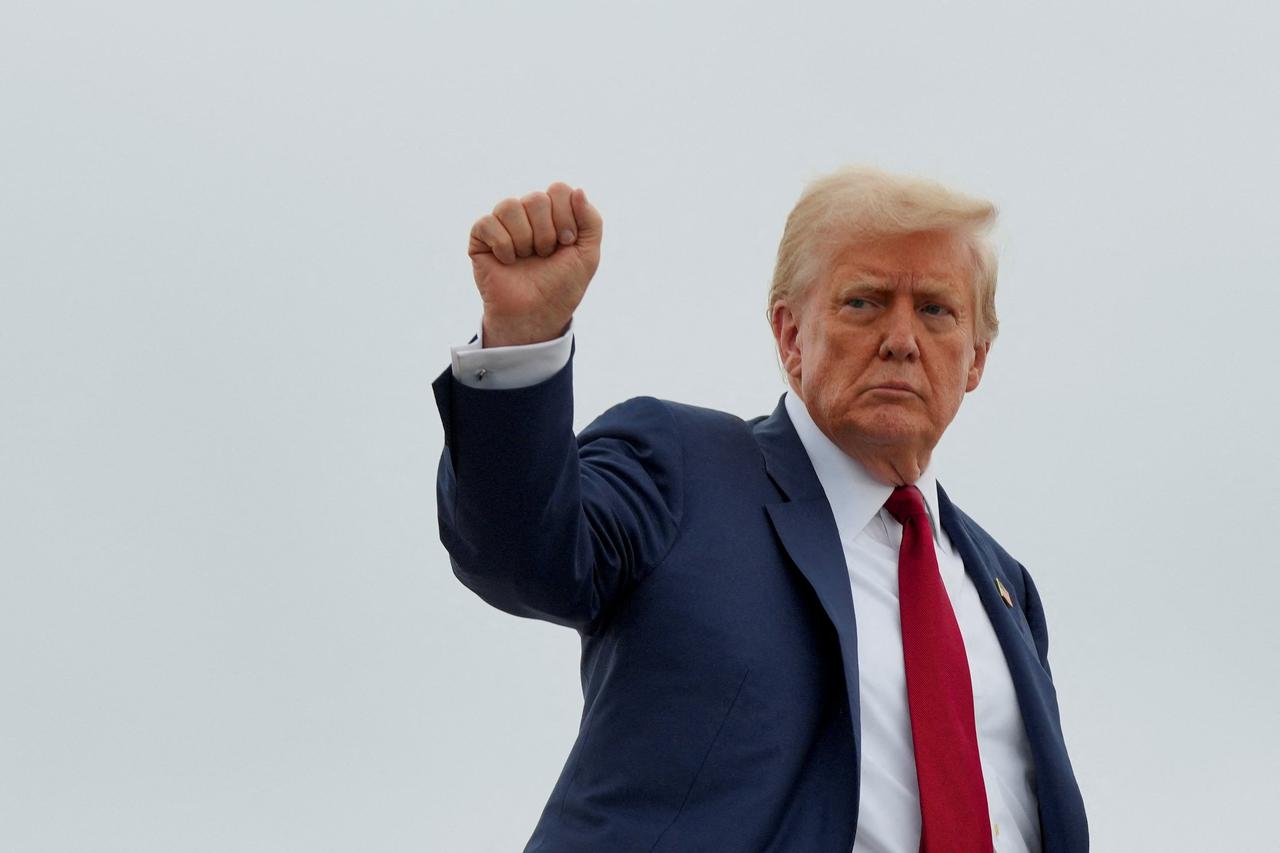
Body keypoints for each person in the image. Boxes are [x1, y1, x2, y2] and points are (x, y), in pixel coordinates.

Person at [432, 167, 1088, 852]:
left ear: (976, 358)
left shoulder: (1004, 586)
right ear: (790, 335)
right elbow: (518, 553)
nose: (901, 338)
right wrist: (521, 343)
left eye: (935, 309)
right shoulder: (684, 468)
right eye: (862, 303)